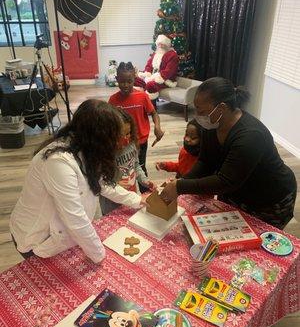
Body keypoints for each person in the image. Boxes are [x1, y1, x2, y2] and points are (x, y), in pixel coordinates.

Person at [10, 100, 147, 263]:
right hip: (37, 239)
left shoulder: (86, 148)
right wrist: (99, 255)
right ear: (99, 137)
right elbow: (74, 218)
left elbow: (102, 184)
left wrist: (138, 200)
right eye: (114, 137)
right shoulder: (57, 162)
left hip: (63, 235)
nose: (119, 143)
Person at [161, 77, 297, 229]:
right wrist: (181, 182)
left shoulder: (251, 136)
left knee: (259, 244)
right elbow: (205, 161)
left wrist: (181, 187)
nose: (197, 115)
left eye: (201, 111)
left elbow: (226, 181)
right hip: (235, 192)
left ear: (221, 109)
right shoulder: (211, 125)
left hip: (268, 198)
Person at [109, 62, 164, 180]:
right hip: (122, 141)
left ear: (134, 79)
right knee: (124, 167)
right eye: (122, 81)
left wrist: (157, 127)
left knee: (140, 167)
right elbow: (110, 122)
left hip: (141, 141)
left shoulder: (142, 96)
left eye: (129, 81)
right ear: (117, 79)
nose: (125, 85)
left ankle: (145, 190)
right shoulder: (113, 100)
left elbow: (154, 113)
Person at [100, 108, 156, 215]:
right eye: (122, 135)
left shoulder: (132, 145)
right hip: (112, 204)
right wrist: (117, 186)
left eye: (129, 133)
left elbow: (135, 165)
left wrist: (144, 180)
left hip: (131, 197)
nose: (127, 138)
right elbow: (103, 185)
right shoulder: (104, 154)